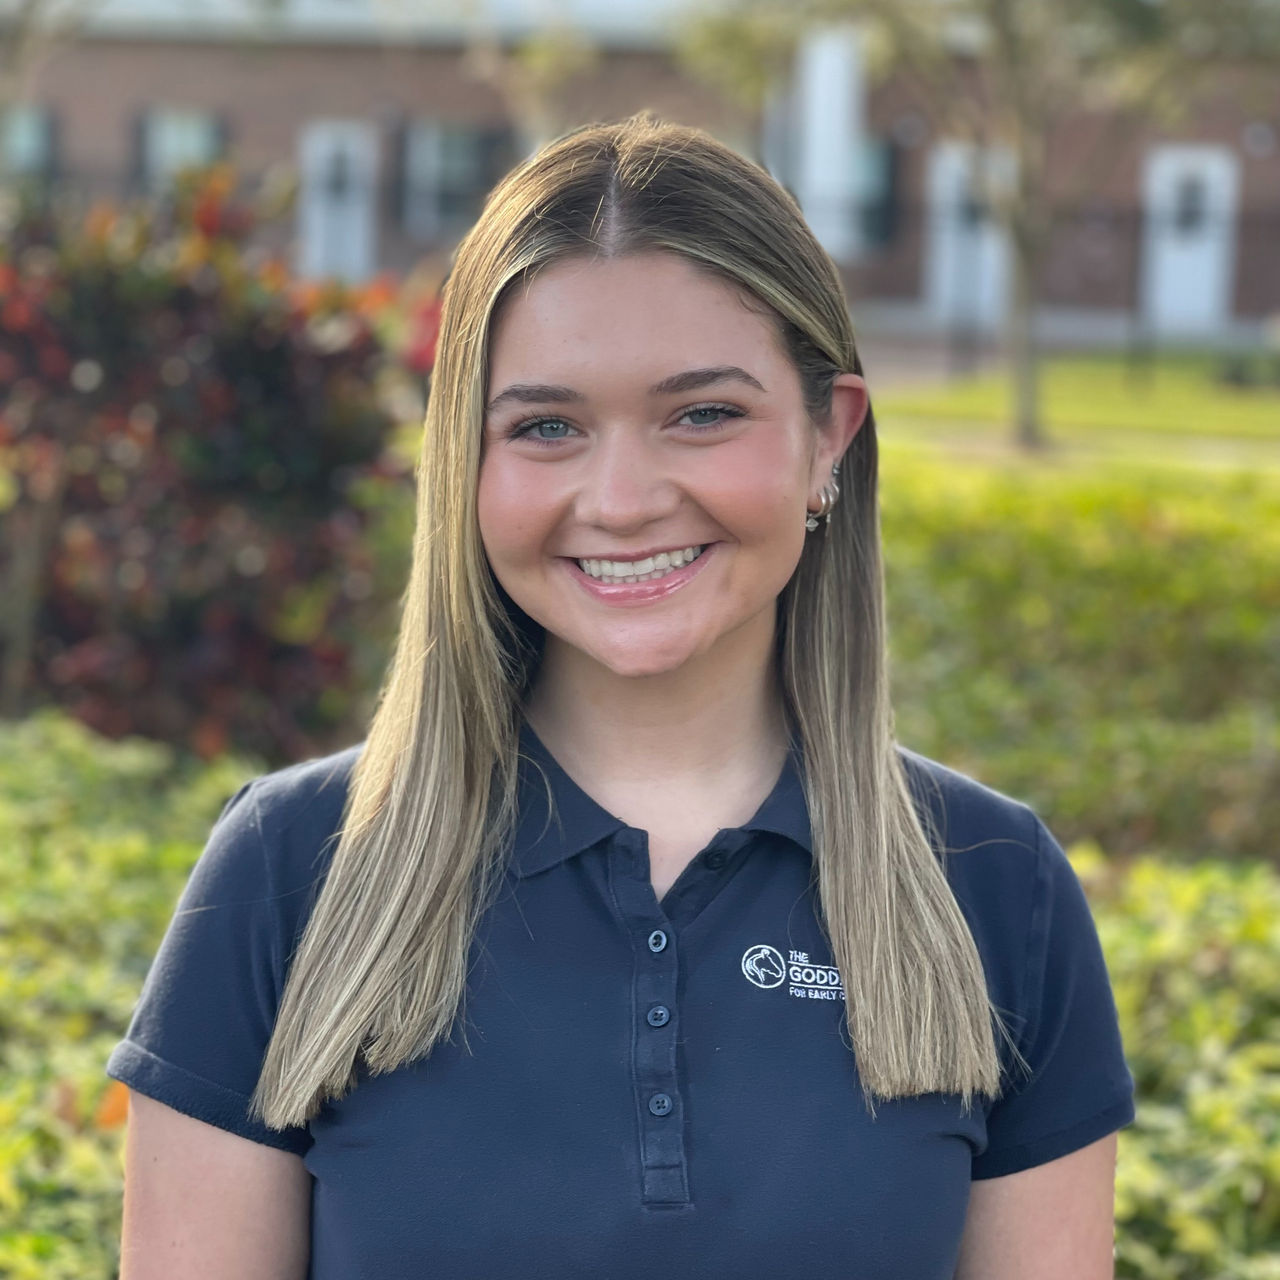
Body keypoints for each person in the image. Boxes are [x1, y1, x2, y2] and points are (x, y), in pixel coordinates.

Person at [106, 114, 1136, 1280]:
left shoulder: (996, 887)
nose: (621, 498)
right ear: (465, 462)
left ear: (826, 439)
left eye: (701, 413)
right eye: (545, 426)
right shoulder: (290, 871)